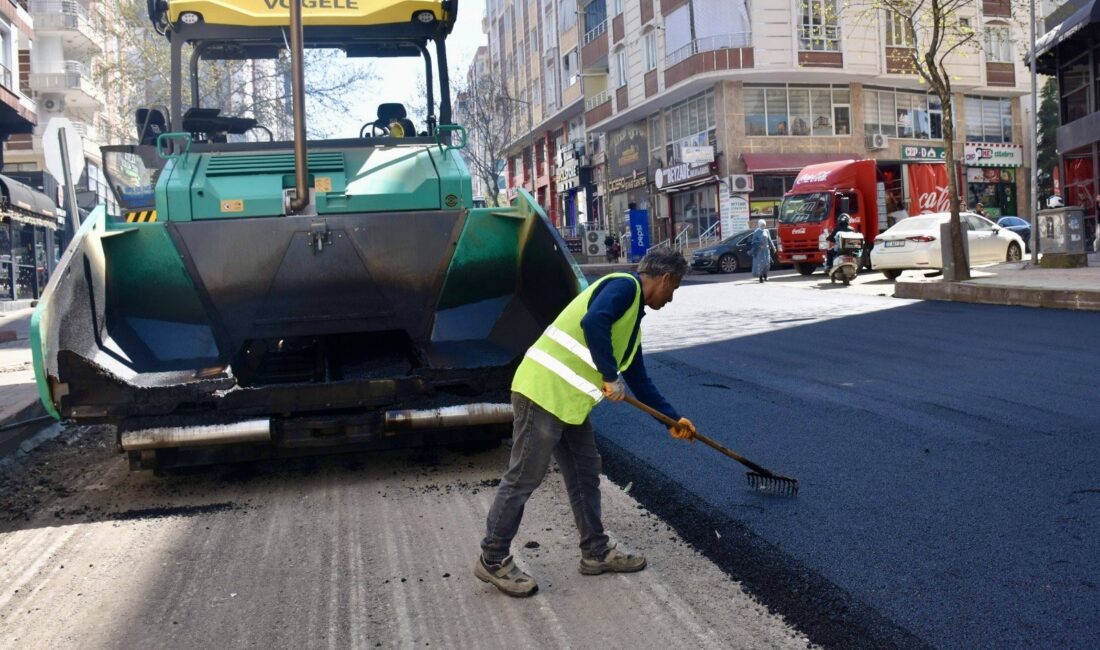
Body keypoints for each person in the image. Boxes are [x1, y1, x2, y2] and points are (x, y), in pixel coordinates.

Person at [475, 248, 695, 598]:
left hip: (569, 404)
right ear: (666, 278)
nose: (671, 299)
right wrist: (609, 375)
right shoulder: (624, 286)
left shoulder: (632, 322)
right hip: (542, 393)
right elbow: (593, 322)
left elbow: (639, 379)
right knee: (523, 477)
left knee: (585, 473)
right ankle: (493, 558)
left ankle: (595, 552)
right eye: (675, 288)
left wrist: (670, 419)